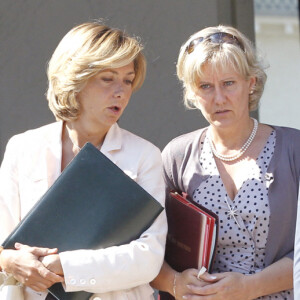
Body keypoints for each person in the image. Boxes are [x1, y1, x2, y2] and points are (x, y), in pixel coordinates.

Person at [0, 21, 167, 300]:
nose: (121, 91)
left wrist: (66, 266)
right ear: (75, 77)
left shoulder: (144, 155)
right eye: (108, 78)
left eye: (128, 80)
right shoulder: (22, 147)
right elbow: (3, 243)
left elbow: (148, 257)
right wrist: (9, 262)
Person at [151, 25, 300, 299]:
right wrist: (175, 282)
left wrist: (250, 287)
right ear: (193, 93)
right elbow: (146, 246)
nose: (218, 98)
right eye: (205, 86)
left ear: (251, 82)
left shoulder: (294, 150)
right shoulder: (177, 156)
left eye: (228, 83)